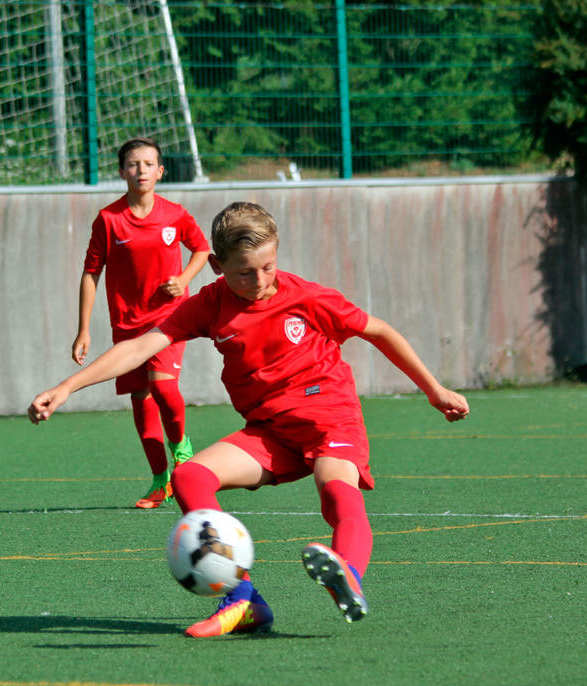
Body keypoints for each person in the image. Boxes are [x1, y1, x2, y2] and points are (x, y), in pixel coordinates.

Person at [31, 201, 469, 637]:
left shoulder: (307, 297)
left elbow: (379, 331)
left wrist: (435, 390)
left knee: (336, 493)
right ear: (217, 266)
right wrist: (67, 387)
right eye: (245, 272)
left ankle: (348, 575)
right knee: (189, 477)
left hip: (329, 419)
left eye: (268, 267)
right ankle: (243, 599)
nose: (260, 281)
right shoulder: (210, 304)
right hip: (270, 432)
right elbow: (142, 346)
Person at [74, 137, 210, 508]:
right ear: (122, 172)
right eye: (133, 164)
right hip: (127, 325)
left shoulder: (175, 214)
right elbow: (91, 273)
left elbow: (202, 248)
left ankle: (183, 454)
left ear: (160, 171)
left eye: (149, 164)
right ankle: (160, 479)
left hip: (169, 318)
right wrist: (84, 329)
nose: (141, 171)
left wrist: (183, 280)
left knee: (163, 388)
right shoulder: (109, 219)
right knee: (141, 400)